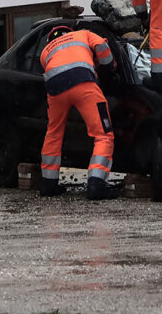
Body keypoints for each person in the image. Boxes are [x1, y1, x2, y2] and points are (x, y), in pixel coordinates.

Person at [39, 25, 118, 200]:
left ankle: (48, 184)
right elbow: (102, 47)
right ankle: (97, 183)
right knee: (103, 134)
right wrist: (107, 71)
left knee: (53, 134)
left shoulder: (46, 50)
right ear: (69, 32)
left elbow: (51, 68)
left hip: (55, 89)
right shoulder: (83, 34)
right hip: (83, 82)